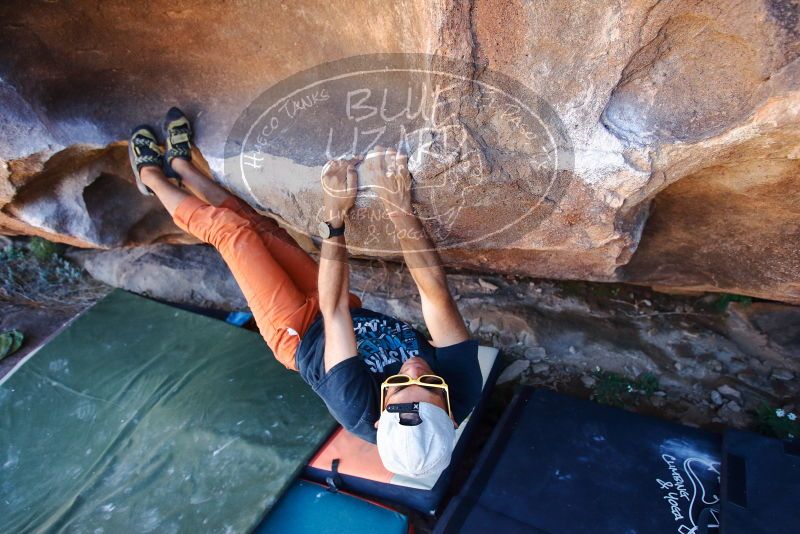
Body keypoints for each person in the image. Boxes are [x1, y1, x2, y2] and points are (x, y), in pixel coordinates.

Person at [127, 108, 483, 479]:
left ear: (380, 419)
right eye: (428, 382)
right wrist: (397, 204)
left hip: (298, 332)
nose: (412, 370)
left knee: (233, 235)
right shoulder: (462, 389)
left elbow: (333, 315)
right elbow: (435, 295)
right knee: (262, 230)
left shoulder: (355, 406)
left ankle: (150, 175)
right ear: (450, 414)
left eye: (397, 386)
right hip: (347, 312)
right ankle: (181, 167)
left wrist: (334, 217)